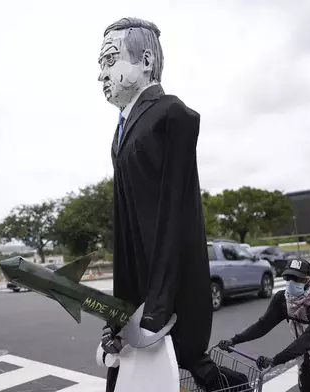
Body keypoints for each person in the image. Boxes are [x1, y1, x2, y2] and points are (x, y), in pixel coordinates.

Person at [97, 17, 212, 391]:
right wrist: (118, 316)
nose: (102, 75)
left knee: (186, 371)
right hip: (136, 295)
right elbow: (125, 234)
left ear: (145, 61)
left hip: (169, 299)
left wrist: (158, 308)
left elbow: (173, 220)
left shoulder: (171, 115)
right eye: (100, 65)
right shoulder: (120, 133)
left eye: (110, 60)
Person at [218, 258, 310, 392]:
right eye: (289, 277)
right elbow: (263, 325)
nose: (292, 283)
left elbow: (307, 340)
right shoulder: (283, 299)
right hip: (306, 365)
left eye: (298, 279)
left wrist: (275, 360)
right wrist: (234, 340)